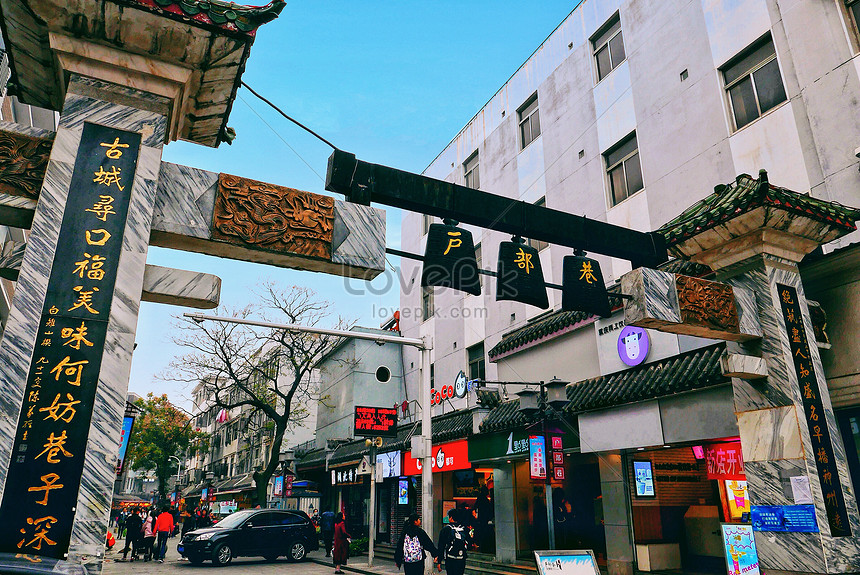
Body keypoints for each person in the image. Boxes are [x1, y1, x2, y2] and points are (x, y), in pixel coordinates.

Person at [436, 509, 472, 575]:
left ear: (451, 518)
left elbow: (441, 546)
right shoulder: (464, 529)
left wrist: (439, 561)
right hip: (461, 558)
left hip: (450, 558)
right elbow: (470, 542)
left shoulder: (446, 529)